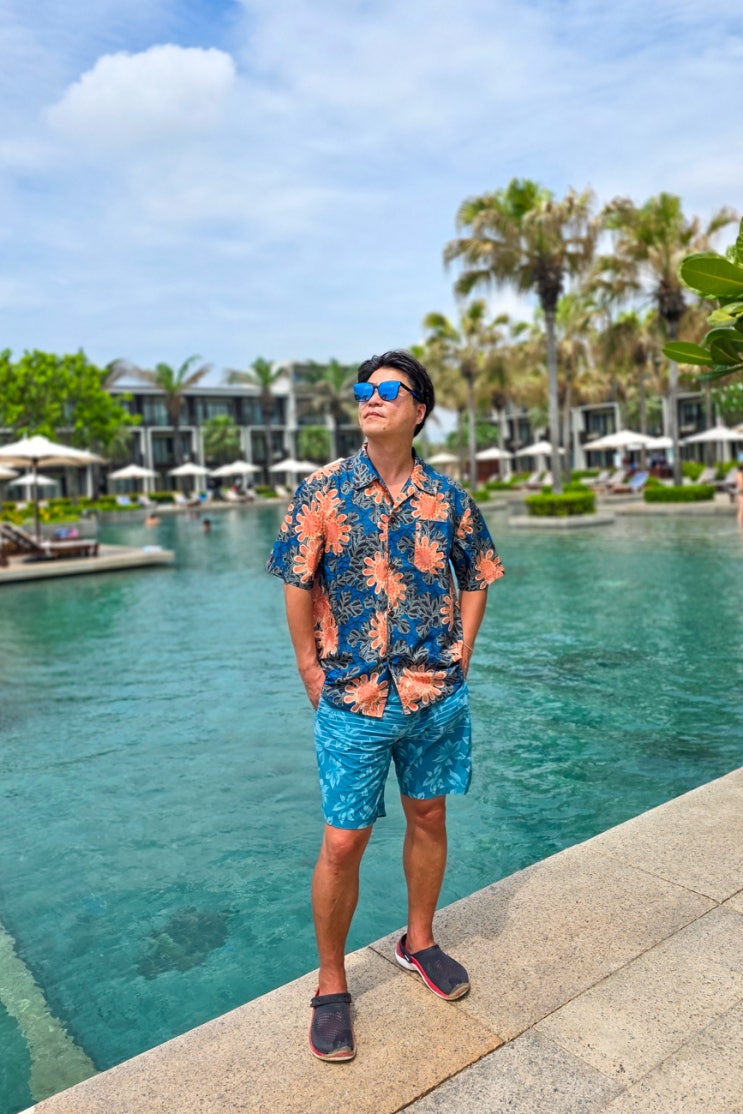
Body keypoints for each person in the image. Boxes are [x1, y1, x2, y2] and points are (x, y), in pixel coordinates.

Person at [267, 349, 504, 1062]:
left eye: (387, 390)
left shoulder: (448, 498)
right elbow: (295, 579)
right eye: (362, 389)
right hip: (353, 695)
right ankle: (331, 984)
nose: (369, 398)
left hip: (434, 694)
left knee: (428, 815)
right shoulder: (321, 491)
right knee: (343, 841)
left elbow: (478, 573)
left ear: (418, 410)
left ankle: (418, 942)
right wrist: (308, 668)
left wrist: (463, 650)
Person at [736, 462, 743, 528]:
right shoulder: (739, 474)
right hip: (741, 493)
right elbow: (741, 486)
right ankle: (740, 527)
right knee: (741, 509)